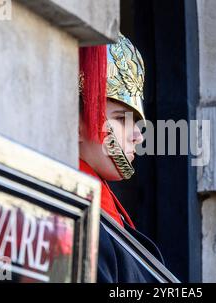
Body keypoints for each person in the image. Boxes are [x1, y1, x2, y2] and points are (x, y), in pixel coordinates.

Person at [78, 33, 177, 282]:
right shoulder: (83, 224)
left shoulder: (109, 216)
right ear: (76, 123)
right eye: (121, 119)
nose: (138, 136)